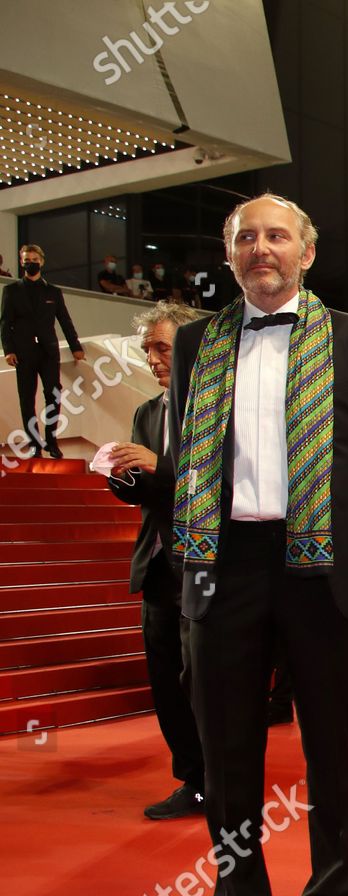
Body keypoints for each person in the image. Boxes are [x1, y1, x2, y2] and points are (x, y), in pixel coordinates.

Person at [169, 193, 348, 896]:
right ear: (229, 255)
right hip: (222, 561)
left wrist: (321, 518)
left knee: (330, 741)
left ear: (307, 250)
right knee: (226, 747)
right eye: (245, 238)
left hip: (318, 566)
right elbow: (181, 456)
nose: (260, 248)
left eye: (275, 235)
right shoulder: (196, 342)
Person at [104, 300, 208, 819]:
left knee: (207, 681)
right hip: (158, 566)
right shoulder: (147, 412)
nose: (153, 358)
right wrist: (125, 478)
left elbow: (221, 485)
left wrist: (159, 465)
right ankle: (192, 781)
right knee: (166, 680)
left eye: (162, 347)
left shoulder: (216, 406)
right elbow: (148, 492)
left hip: (209, 568)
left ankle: (223, 781)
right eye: (147, 349)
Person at [2, 244, 85, 458]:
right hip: (22, 353)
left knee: (53, 395)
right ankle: (34, 444)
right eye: (27, 259)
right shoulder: (11, 291)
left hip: (48, 352)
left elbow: (65, 320)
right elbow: (5, 323)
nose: (31, 263)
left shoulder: (53, 292)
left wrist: (76, 346)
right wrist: (8, 350)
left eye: (34, 259)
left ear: (42, 262)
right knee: (27, 399)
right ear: (21, 262)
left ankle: (51, 441)